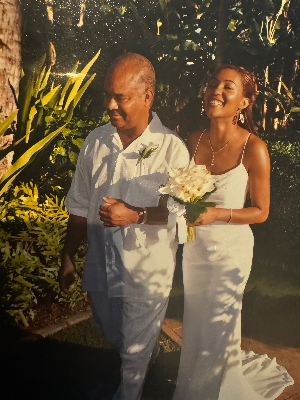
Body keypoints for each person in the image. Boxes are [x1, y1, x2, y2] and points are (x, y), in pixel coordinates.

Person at [58, 52, 189, 400]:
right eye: (107, 95)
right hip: (102, 264)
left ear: (147, 97)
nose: (111, 105)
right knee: (112, 332)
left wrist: (136, 215)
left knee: (131, 356)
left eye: (121, 97)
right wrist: (69, 255)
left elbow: (178, 212)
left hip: (148, 269)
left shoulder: (172, 149)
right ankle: (147, 351)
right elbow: (80, 205)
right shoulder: (96, 142)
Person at [172, 65, 294, 400]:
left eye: (228, 87)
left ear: (244, 101)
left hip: (231, 252)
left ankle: (221, 392)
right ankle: (194, 389)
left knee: (219, 324)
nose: (217, 91)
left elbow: (261, 211)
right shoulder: (194, 139)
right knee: (197, 320)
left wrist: (216, 214)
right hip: (197, 249)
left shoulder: (254, 149)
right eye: (213, 84)